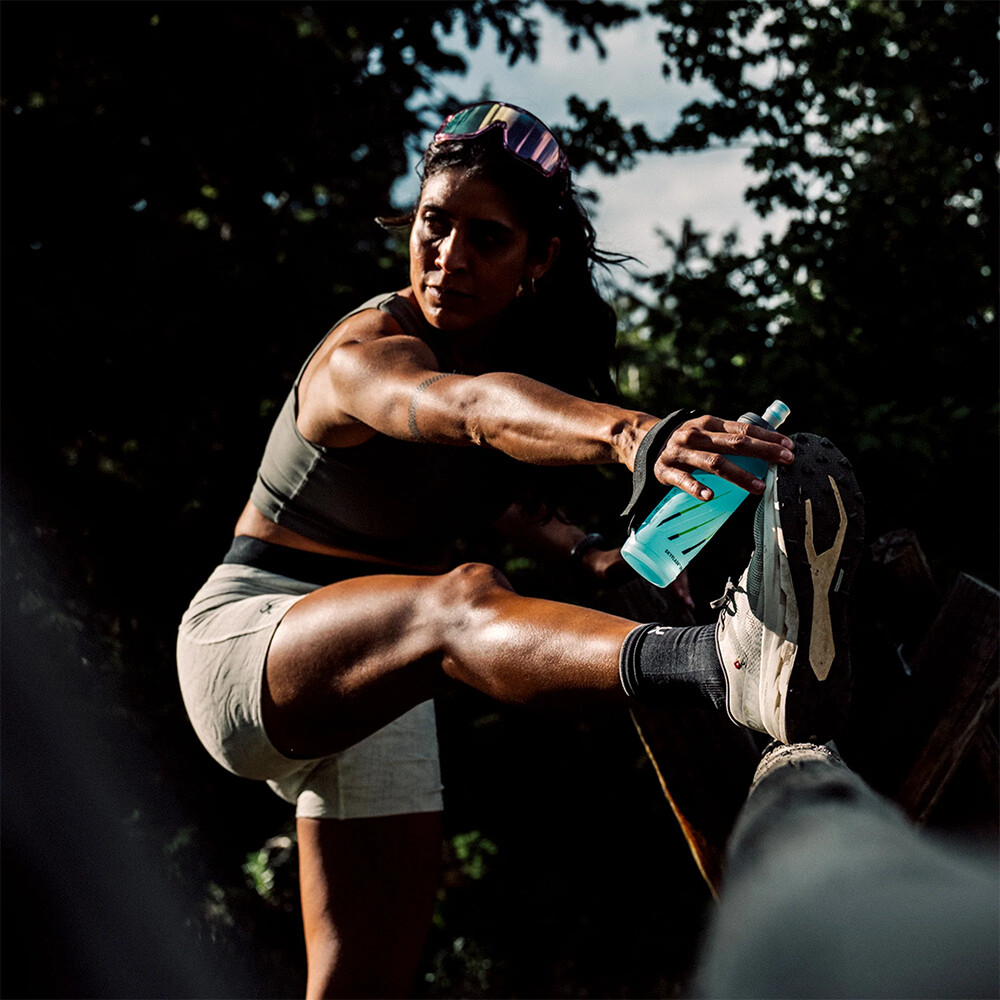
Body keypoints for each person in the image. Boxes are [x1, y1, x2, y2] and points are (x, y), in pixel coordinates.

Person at [176, 101, 864, 998]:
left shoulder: (511, 356)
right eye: (434, 223)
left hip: (381, 685)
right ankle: (727, 665)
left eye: (488, 238)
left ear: (539, 259)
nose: (449, 257)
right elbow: (464, 411)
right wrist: (637, 437)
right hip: (251, 641)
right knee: (461, 597)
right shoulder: (367, 354)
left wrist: (595, 554)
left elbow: (501, 494)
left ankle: (735, 662)